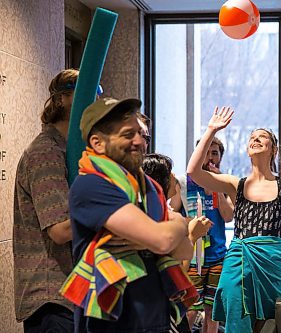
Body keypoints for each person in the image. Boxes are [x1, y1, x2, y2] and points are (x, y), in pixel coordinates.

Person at [186, 104, 281, 333]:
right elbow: (193, 172)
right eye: (252, 137)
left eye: (262, 137)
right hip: (239, 259)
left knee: (270, 321)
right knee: (236, 312)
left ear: (274, 150)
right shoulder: (235, 184)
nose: (255, 139)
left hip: (271, 262)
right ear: (247, 149)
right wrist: (211, 130)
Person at [68, 97, 194, 332]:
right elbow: (163, 240)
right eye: (127, 135)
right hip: (111, 323)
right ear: (98, 143)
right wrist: (174, 228)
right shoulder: (92, 185)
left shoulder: (150, 188)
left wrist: (176, 225)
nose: (139, 141)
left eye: (141, 134)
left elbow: (184, 249)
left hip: (155, 317)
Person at [13, 69, 80, 332]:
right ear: (62, 99)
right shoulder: (46, 152)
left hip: (70, 296)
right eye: (84, 91)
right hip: (51, 298)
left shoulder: (66, 150)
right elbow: (61, 230)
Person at [143, 152, 213, 333]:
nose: (175, 177)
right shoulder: (161, 220)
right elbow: (177, 270)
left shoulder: (152, 214)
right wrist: (192, 236)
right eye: (170, 173)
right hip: (159, 310)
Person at [174, 137, 234, 333]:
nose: (210, 157)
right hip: (191, 256)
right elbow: (171, 213)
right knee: (190, 309)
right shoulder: (183, 183)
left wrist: (217, 189)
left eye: (215, 153)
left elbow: (228, 216)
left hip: (217, 255)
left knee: (212, 310)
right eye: (206, 152)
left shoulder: (224, 183)